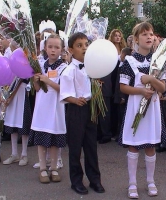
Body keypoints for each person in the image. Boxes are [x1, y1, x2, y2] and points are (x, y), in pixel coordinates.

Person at [118, 22, 165, 199]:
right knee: (134, 145)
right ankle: (132, 183)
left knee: (150, 145)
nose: (149, 37)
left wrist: (150, 79)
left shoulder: (158, 61)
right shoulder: (129, 61)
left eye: (151, 34)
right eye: (144, 34)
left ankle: (150, 181)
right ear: (136, 39)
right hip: (134, 107)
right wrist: (141, 90)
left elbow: (162, 88)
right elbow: (123, 87)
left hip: (152, 109)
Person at [60, 32, 105, 195]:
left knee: (91, 146)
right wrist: (74, 100)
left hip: (91, 107)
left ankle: (95, 179)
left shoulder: (92, 68)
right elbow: (64, 93)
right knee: (75, 146)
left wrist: (97, 90)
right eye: (79, 45)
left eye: (86, 44)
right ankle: (76, 181)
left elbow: (95, 86)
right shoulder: (69, 70)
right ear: (71, 50)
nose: (84, 48)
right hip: (76, 110)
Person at [29, 34, 67, 183]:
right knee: (42, 137)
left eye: (56, 47)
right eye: (50, 47)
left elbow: (63, 89)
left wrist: (48, 81)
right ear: (45, 48)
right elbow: (37, 89)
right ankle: (43, 168)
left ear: (61, 50)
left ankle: (54, 167)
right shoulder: (40, 65)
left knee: (54, 140)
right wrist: (35, 80)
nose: (53, 50)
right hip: (42, 105)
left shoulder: (64, 67)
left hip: (55, 106)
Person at [2, 41, 32, 166]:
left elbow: (23, 78)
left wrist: (11, 94)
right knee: (12, 124)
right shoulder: (10, 57)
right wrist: (6, 95)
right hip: (12, 95)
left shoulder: (26, 58)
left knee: (22, 124)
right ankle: (14, 153)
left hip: (21, 94)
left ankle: (24, 154)